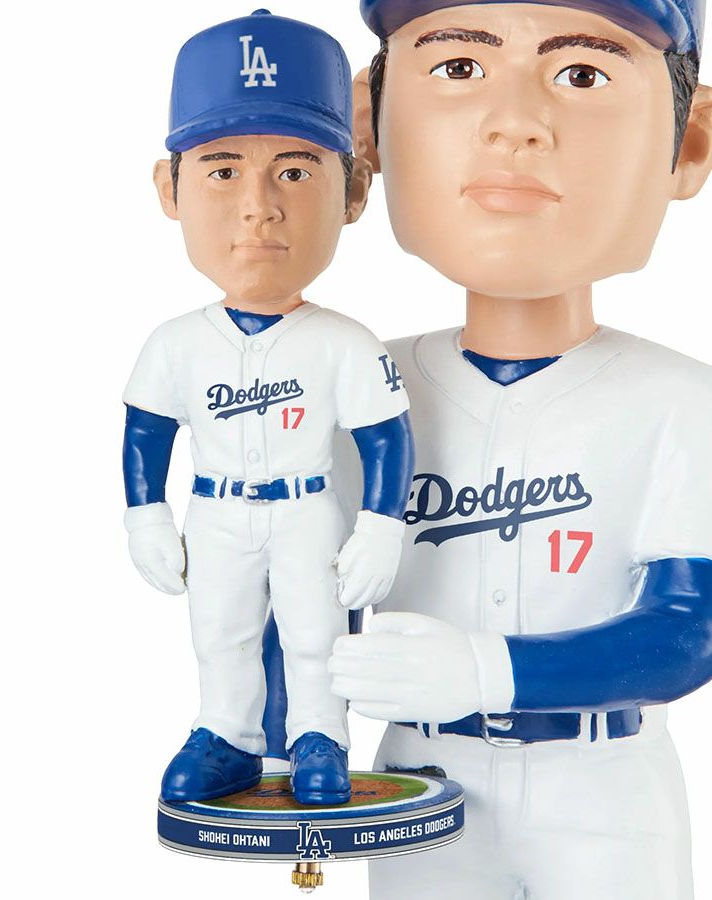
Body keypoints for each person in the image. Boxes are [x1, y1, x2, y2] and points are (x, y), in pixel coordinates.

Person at [267, 0, 712, 894]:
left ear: (689, 142)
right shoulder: (356, 385)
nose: (515, 123)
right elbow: (301, 599)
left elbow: (691, 628)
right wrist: (284, 747)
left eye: (580, 74)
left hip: (603, 787)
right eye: (459, 67)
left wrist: (486, 670)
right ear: (368, 124)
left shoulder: (679, 398)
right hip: (419, 781)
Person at [123, 9, 414, 806]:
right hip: (216, 511)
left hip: (306, 507)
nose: (259, 206)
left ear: (353, 190)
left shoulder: (344, 342)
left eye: (294, 171)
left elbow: (385, 436)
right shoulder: (177, 342)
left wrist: (381, 525)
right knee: (220, 632)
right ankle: (227, 736)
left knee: (316, 633)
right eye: (222, 171)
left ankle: (320, 736)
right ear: (170, 189)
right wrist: (145, 514)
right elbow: (147, 428)